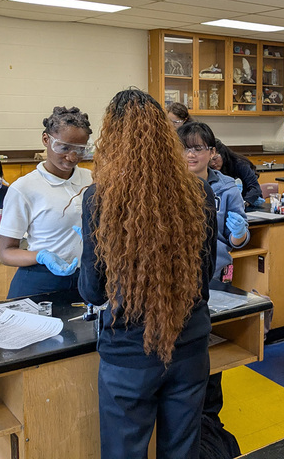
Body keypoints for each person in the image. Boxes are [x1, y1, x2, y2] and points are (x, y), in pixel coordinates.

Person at [79, 88, 216, 459]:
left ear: (113, 140)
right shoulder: (199, 193)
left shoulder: (100, 197)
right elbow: (204, 276)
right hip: (189, 344)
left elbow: (92, 291)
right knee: (182, 448)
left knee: (125, 451)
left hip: (129, 351)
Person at [0, 106, 93, 298]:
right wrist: (40, 256)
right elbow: (5, 252)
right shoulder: (24, 188)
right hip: (40, 281)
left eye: (80, 150)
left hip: (84, 280)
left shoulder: (91, 180)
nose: (72, 157)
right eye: (64, 147)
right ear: (46, 139)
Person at [177, 122, 249, 283]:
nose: (190, 155)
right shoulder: (168, 186)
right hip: (178, 271)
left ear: (212, 152)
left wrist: (239, 232)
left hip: (216, 270)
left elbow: (238, 240)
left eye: (198, 148)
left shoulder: (228, 188)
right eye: (185, 148)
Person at [209, 139, 263, 209]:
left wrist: (243, 204)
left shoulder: (240, 164)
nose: (213, 163)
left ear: (223, 154)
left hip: (247, 203)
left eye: (215, 159)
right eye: (210, 161)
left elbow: (255, 188)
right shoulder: (208, 169)